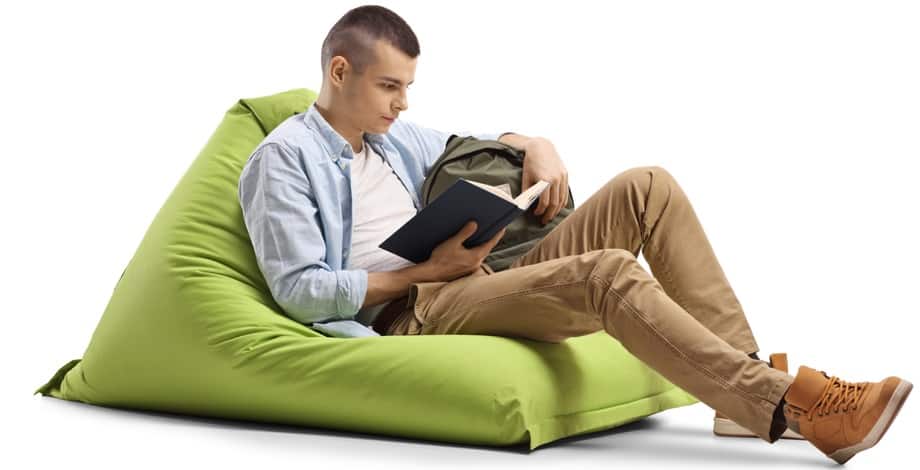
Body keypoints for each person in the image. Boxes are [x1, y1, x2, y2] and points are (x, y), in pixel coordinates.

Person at [237, 4, 911, 465]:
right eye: (390, 86)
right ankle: (792, 409)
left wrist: (539, 145)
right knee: (607, 273)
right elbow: (299, 291)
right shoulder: (283, 161)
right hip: (414, 309)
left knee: (648, 185)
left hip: (472, 276)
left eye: (408, 87)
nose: (402, 103)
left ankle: (741, 394)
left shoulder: (389, 139)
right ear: (338, 72)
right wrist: (425, 273)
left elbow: (466, 140)